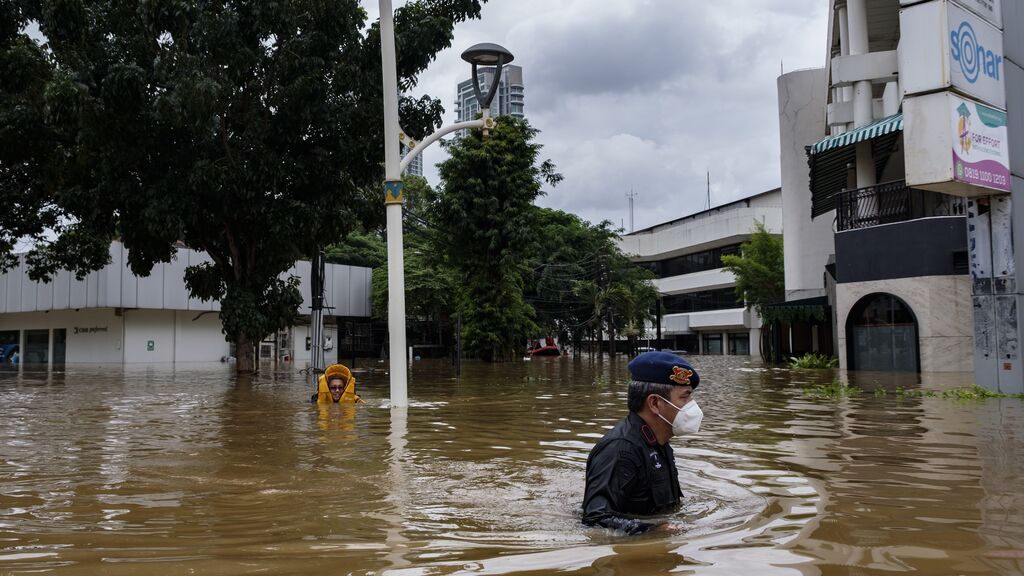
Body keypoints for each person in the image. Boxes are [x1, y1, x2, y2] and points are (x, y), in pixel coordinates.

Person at [582, 350, 703, 534]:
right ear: (654, 403)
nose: (692, 405)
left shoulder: (660, 443)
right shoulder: (620, 449)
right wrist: (653, 530)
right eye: (685, 397)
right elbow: (595, 519)